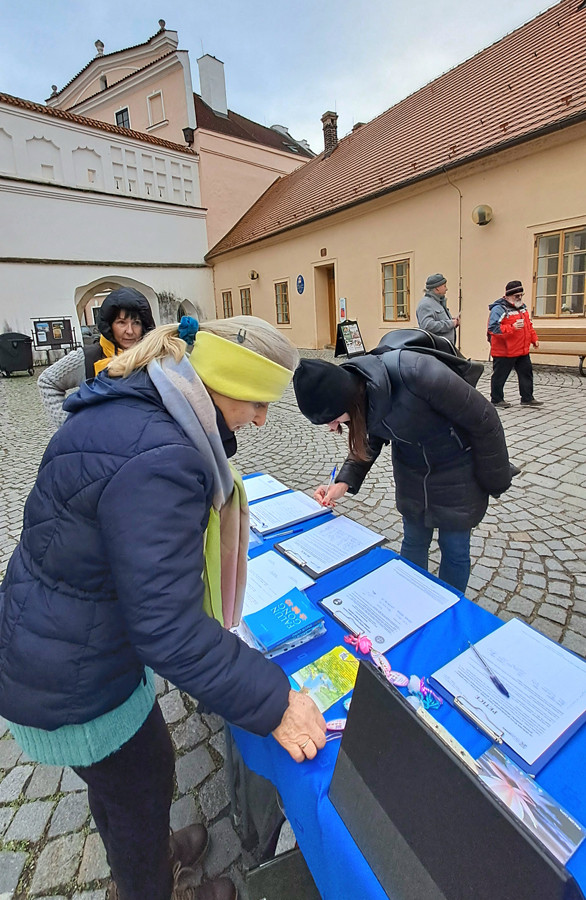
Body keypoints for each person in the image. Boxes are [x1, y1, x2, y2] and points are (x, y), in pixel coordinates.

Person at [0, 315, 326, 900]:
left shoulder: (139, 399)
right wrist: (275, 699)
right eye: (256, 400)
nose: (261, 419)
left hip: (63, 634)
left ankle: (151, 852)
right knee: (136, 783)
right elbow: (168, 629)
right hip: (73, 670)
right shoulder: (162, 454)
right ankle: (151, 884)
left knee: (139, 770)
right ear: (221, 378)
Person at [292, 340, 513, 594]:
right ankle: (412, 602)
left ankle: (451, 608)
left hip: (457, 467)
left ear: (346, 400)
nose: (333, 428)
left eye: (332, 420)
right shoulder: (358, 394)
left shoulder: (419, 373)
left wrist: (495, 480)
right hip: (411, 469)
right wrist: (343, 482)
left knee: (455, 546)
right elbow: (371, 435)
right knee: (414, 539)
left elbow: (484, 419)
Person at [38, 286, 156, 429]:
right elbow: (47, 381)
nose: (130, 331)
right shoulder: (88, 358)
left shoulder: (153, 358)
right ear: (109, 325)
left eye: (136, 323)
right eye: (121, 323)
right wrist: (69, 427)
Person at [488, 280, 543, 408]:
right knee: (500, 376)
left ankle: (527, 398)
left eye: (521, 295)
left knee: (526, 373)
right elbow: (493, 329)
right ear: (507, 296)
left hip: (521, 349)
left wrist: (534, 339)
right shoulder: (499, 309)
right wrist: (512, 327)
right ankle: (496, 399)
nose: (519, 298)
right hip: (504, 351)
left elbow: (528, 326)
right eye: (516, 296)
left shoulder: (523, 308)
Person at [416, 273, 460, 346]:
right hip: (436, 349)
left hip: (444, 348)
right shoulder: (425, 304)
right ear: (437, 288)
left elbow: (438, 320)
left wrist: (452, 321)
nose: (446, 289)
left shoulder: (438, 302)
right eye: (444, 286)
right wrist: (451, 323)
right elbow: (428, 326)